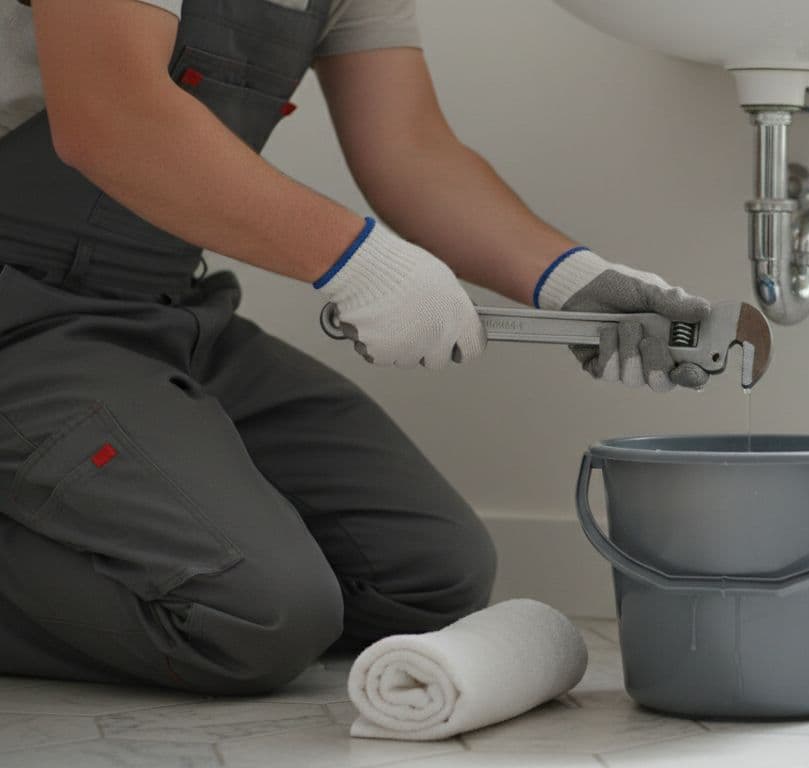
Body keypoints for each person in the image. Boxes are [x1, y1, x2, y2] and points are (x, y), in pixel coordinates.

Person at [0, 0, 710, 694]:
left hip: (161, 307)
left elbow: (409, 147)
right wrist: (358, 261)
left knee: (426, 574)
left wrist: (573, 282)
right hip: (18, 311)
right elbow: (109, 115)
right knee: (252, 616)